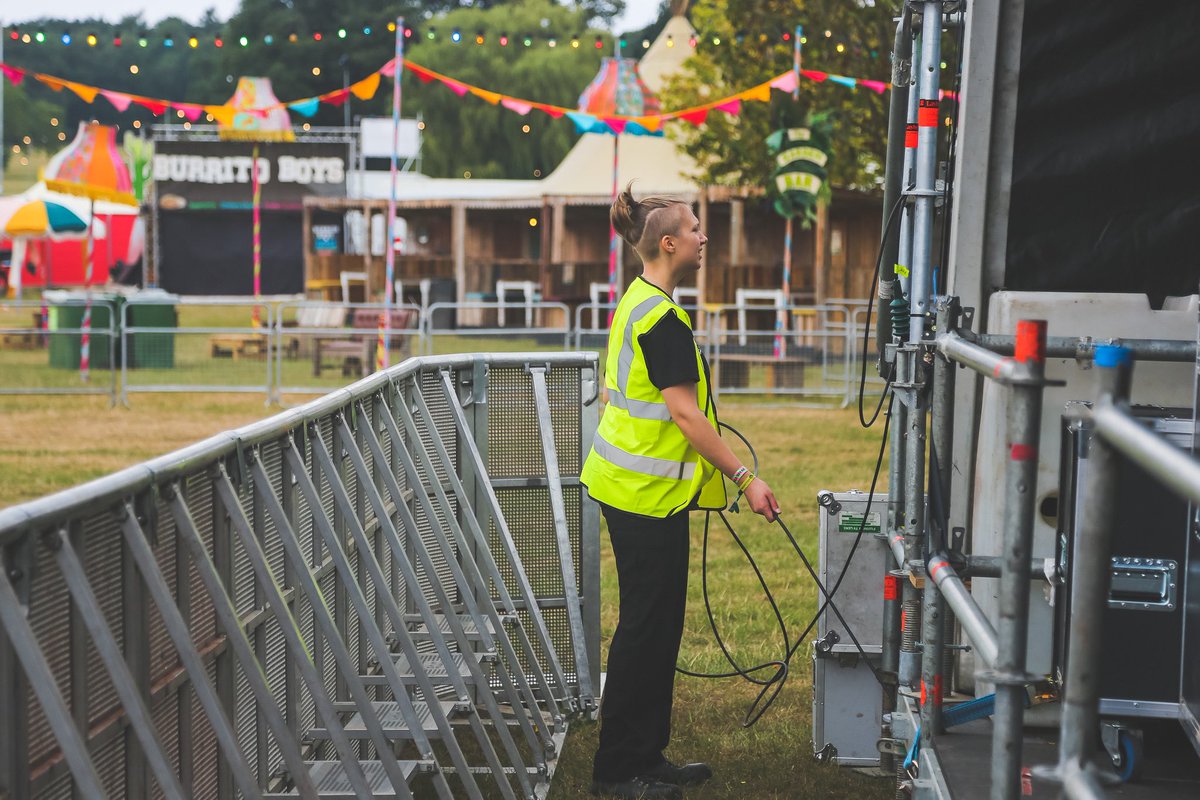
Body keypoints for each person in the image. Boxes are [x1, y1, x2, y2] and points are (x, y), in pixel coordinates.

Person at [580, 185, 781, 799]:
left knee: (660, 625)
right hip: (640, 496)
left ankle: (647, 755)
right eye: (695, 229)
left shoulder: (640, 300)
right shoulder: (661, 318)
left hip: (638, 491)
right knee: (646, 628)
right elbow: (688, 419)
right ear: (669, 243)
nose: (703, 237)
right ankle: (617, 771)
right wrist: (746, 479)